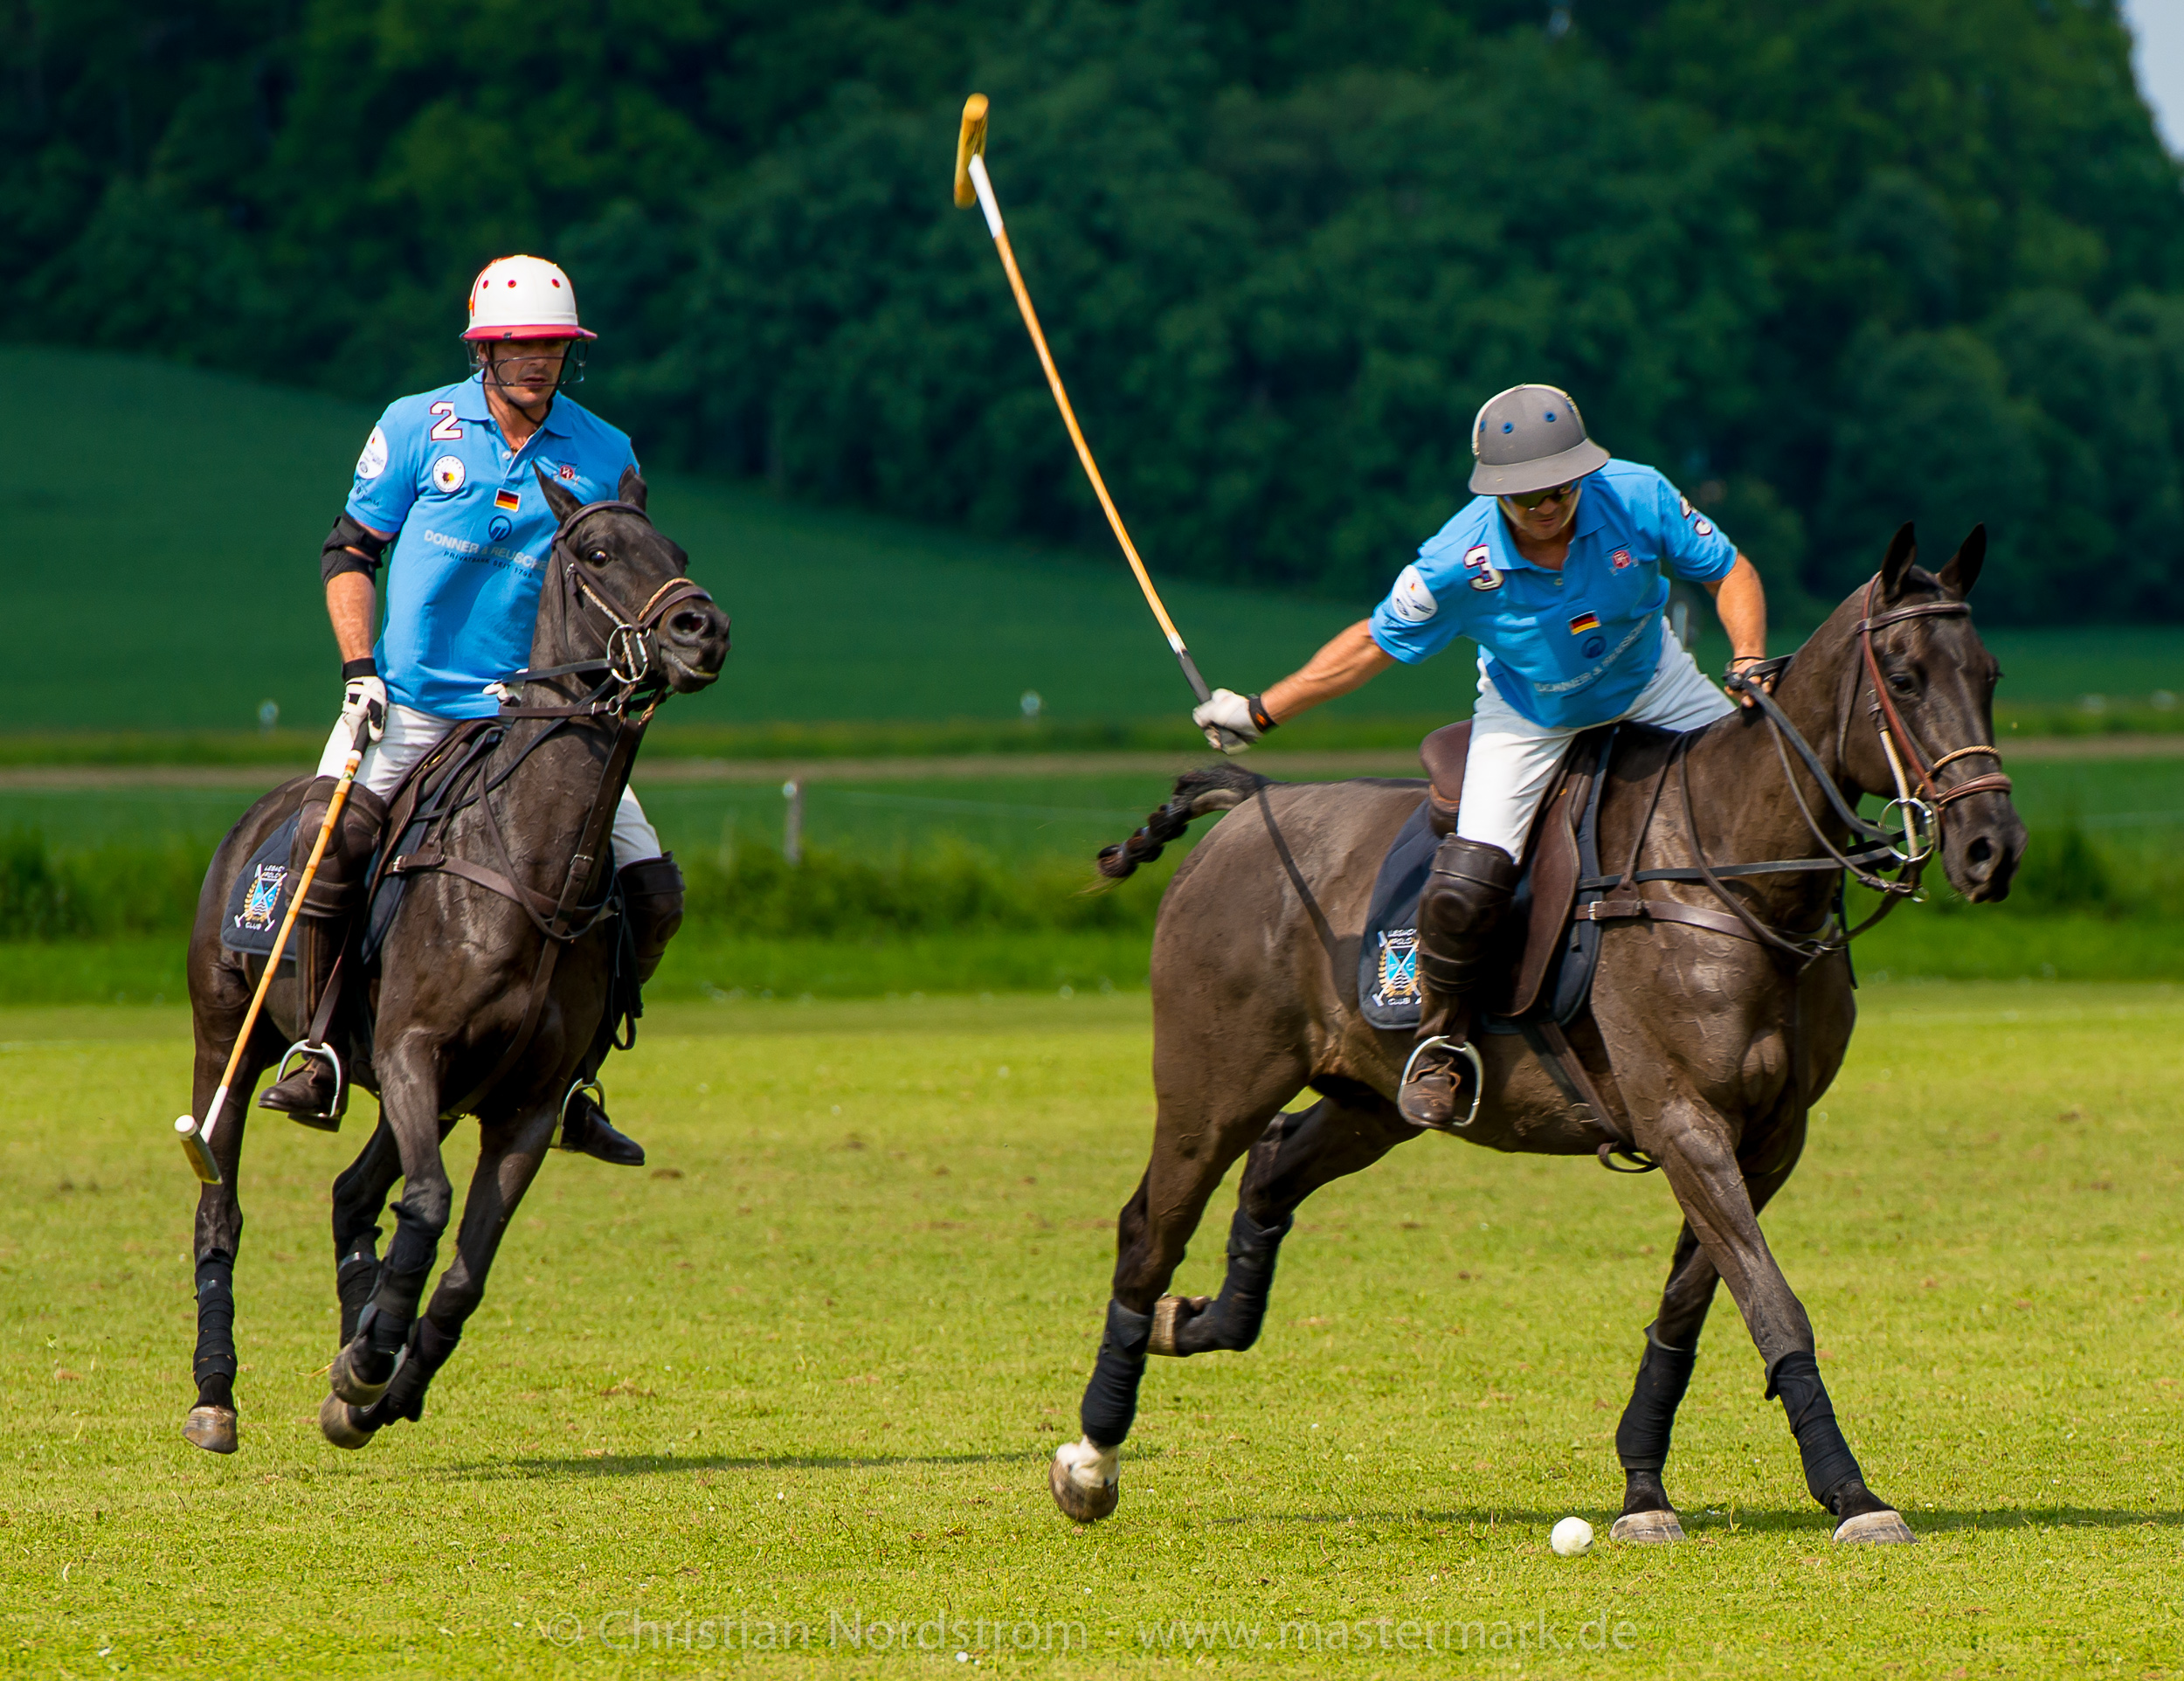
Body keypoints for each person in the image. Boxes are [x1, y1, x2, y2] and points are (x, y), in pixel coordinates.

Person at [1192, 384, 1769, 1129]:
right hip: (1530, 709)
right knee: (1473, 875)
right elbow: (1372, 645)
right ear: (1497, 491)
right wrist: (1261, 710)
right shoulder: (1455, 561)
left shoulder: (1637, 493)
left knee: (1760, 790)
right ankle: (1442, 1041)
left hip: (1652, 680)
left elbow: (1729, 570)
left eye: (1560, 487)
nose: (1547, 506)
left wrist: (1749, 657)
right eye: (1526, 496)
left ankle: (1800, 968)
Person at [257, 254, 681, 1166]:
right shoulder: (417, 426)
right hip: (410, 704)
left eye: (553, 348)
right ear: (483, 349)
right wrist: (359, 666)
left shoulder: (605, 453)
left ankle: (571, 1076)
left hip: (538, 722)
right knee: (324, 850)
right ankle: (322, 1047)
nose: (536, 362)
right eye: (518, 346)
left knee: (650, 892)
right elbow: (348, 550)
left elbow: (619, 577)